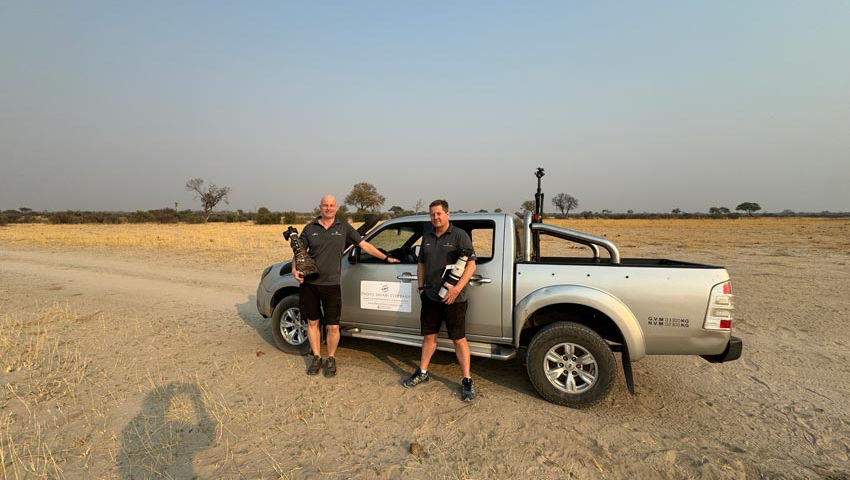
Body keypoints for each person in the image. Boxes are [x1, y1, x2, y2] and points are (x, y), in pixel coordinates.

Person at [292, 194, 399, 377]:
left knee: (333, 326)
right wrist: (294, 269)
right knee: (312, 322)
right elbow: (299, 251)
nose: (328, 208)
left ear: (337, 208)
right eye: (325, 205)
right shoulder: (310, 228)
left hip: (332, 285)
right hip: (310, 283)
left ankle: (330, 358)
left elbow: (365, 245)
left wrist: (386, 258)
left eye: (331, 205)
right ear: (320, 207)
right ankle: (316, 357)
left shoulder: (343, 228)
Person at [402, 199, 478, 401]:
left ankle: (467, 379)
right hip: (431, 296)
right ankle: (423, 372)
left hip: (455, 299)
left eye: (439, 213)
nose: (435, 217)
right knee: (429, 337)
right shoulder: (427, 237)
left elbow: (471, 265)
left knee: (458, 339)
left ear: (447, 214)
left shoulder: (459, 235)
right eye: (432, 214)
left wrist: (456, 290)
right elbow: (421, 264)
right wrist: (421, 288)